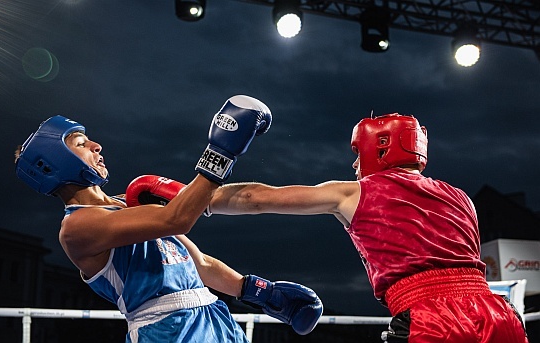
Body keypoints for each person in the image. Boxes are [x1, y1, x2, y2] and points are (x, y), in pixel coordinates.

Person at [14, 95, 323, 343]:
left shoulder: (133, 200)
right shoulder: (78, 228)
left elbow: (198, 263)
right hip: (166, 330)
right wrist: (220, 152)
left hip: (215, 316)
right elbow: (176, 220)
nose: (97, 146)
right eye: (82, 145)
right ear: (55, 164)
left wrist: (261, 292)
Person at [201, 113, 528, 343]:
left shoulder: (353, 192)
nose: (355, 164)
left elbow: (255, 198)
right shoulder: (460, 197)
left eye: (358, 154)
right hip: (498, 313)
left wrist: (188, 198)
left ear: (381, 147)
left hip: (432, 318)